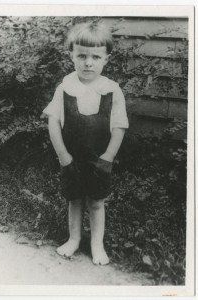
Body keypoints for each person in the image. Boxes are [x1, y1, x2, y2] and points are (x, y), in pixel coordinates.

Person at [42, 22, 129, 265]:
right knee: (75, 199)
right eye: (81, 55)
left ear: (106, 59)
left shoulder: (112, 90)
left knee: (96, 202)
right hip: (71, 157)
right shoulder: (65, 88)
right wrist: (63, 156)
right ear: (71, 55)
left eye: (95, 57)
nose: (88, 63)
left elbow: (120, 126)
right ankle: (74, 239)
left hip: (100, 159)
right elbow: (53, 122)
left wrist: (108, 158)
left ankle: (97, 244)